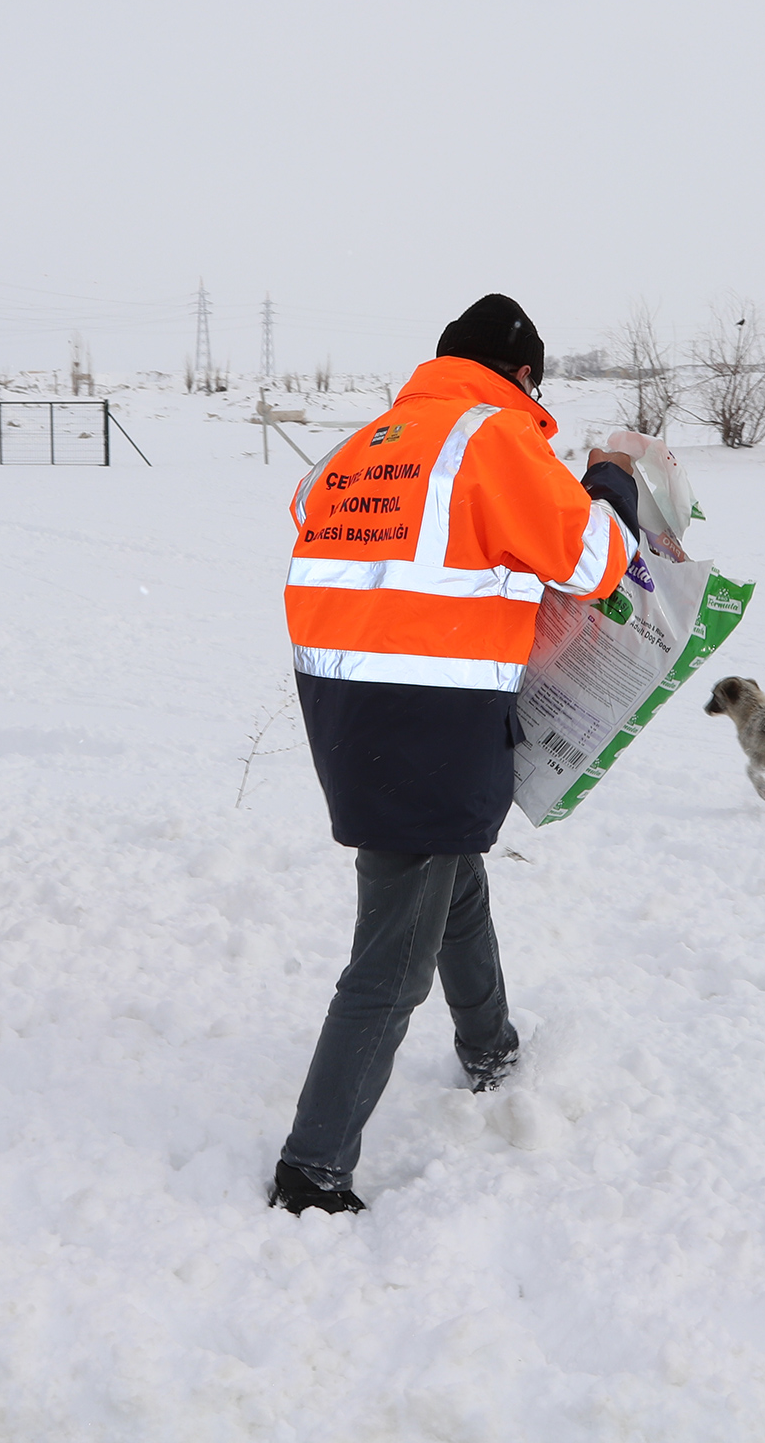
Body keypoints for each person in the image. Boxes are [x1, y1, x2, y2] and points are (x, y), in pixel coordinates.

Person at [270, 294, 643, 1214]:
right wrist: (611, 482)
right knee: (394, 955)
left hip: (347, 706)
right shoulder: (494, 440)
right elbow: (596, 560)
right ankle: (313, 1170)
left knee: (447, 865)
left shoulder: (366, 444)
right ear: (521, 376)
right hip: (428, 714)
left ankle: (491, 1046)